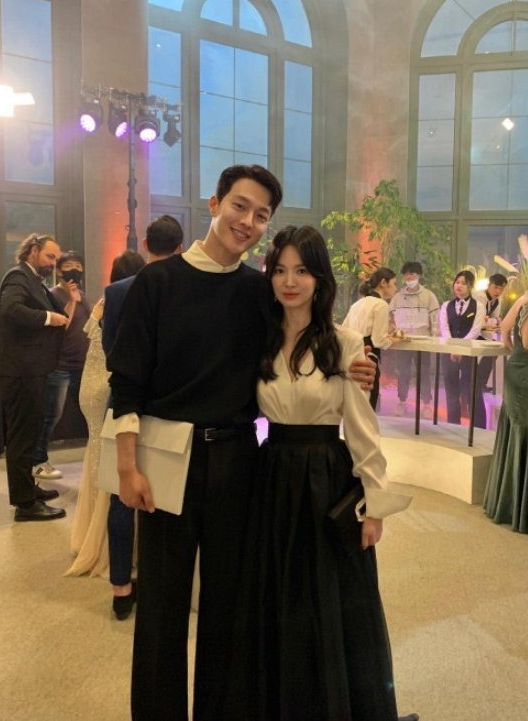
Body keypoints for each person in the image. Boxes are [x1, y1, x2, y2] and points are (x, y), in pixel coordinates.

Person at [107, 164, 376, 720]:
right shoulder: (157, 283)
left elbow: (305, 339)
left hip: (238, 462)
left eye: (261, 215)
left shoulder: (258, 291)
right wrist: (127, 468)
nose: (248, 221)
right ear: (214, 204)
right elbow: (126, 383)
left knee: (228, 611)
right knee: (161, 607)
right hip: (166, 461)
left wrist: (358, 365)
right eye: (239, 206)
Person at [223, 225, 413, 721]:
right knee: (277, 593)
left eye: (302, 270)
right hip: (271, 474)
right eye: (281, 270)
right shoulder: (260, 340)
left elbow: (363, 430)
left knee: (329, 597)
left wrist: (375, 505)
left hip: (327, 475)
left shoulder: (345, 343)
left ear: (319, 278)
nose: (290, 282)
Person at [104, 216, 183, 621]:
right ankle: (162, 582)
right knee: (166, 494)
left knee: (120, 496)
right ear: (180, 248)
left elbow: (110, 350)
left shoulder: (117, 291)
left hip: (124, 401)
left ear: (146, 244)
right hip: (168, 407)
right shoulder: (182, 287)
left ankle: (121, 586)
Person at [65, 250, 146, 580]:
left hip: (91, 388)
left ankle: (93, 535)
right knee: (115, 467)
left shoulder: (103, 301)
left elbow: (92, 339)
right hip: (110, 389)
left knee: (97, 459)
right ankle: (112, 546)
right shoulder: (131, 302)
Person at [0, 233, 68, 522]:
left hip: (30, 370)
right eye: (50, 256)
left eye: (56, 259)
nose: (53, 263)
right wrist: (49, 318)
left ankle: (28, 489)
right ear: (33, 251)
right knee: (22, 438)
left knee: (30, 433)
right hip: (20, 372)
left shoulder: (33, 280)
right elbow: (10, 309)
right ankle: (25, 505)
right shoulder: (18, 276)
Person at [32, 251, 91, 481]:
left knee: (90, 411)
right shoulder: (53, 294)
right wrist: (72, 300)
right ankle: (38, 461)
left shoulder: (83, 295)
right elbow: (60, 327)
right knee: (51, 416)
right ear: (59, 271)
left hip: (83, 364)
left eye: (78, 265)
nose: (74, 270)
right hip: (60, 366)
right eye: (68, 266)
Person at [483, 291, 528, 532]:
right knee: (522, 435)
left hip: (518, 371)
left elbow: (504, 329)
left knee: (518, 436)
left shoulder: (524, 299)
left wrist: (513, 350)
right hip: (524, 378)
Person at [343, 267, 401, 409]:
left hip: (351, 358)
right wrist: (396, 341)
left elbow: (344, 330)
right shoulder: (381, 304)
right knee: (368, 407)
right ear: (383, 282)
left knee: (354, 407)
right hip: (368, 359)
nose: (396, 288)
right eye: (394, 284)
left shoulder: (357, 304)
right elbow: (378, 340)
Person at [388, 261, 440, 419]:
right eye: (406, 274)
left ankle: (427, 404)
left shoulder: (429, 296)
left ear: (419, 275)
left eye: (412, 274)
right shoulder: (397, 298)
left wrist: (435, 340)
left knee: (424, 372)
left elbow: (435, 320)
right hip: (403, 342)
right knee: (403, 372)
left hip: (423, 342)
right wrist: (393, 333)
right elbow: (390, 318)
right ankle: (402, 402)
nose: (409, 277)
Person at [439, 270, 486, 427]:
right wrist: (453, 348)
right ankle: (453, 425)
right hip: (449, 352)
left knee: (472, 389)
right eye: (457, 282)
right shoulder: (446, 305)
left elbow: (475, 331)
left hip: (469, 352)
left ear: (470, 286)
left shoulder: (478, 306)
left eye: (463, 283)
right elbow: (445, 329)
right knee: (451, 390)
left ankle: (479, 427)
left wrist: (461, 349)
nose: (459, 286)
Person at [473, 273, 508, 392]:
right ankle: (476, 383)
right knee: (490, 350)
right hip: (471, 333)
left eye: (501, 288)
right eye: (495, 287)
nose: (498, 291)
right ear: (489, 285)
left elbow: (494, 319)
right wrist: (495, 321)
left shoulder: (498, 300)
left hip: (482, 333)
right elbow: (482, 321)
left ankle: (480, 383)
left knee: (494, 350)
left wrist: (495, 322)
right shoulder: (480, 297)